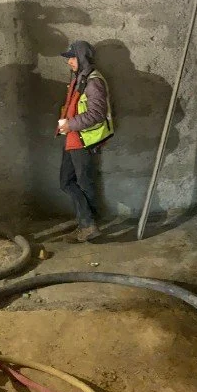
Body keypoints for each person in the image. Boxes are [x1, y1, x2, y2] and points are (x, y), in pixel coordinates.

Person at [56, 40, 114, 242]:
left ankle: (89, 225)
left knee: (83, 183)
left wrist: (70, 125)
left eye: (71, 57)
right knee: (67, 182)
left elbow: (96, 114)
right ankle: (87, 223)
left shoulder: (93, 81)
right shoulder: (80, 78)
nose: (69, 62)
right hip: (73, 139)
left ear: (81, 57)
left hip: (83, 140)